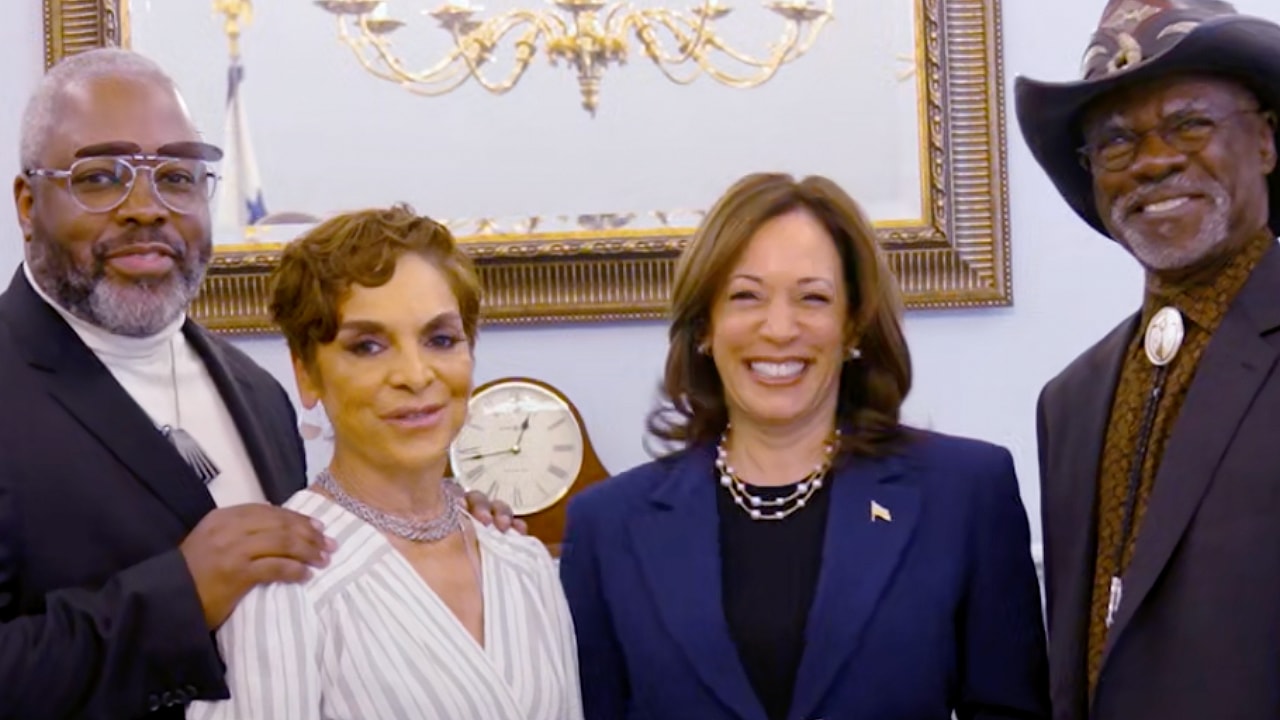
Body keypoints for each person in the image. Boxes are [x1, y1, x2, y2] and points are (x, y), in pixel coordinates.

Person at [0, 48, 516, 719]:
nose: (146, 208)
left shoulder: (257, 392)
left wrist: (439, 525)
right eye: (101, 177)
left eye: (178, 176)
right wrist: (177, 597)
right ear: (29, 202)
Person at [558, 172, 1049, 720]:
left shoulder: (966, 493)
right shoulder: (607, 526)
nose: (779, 328)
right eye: (746, 296)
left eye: (813, 298)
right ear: (704, 326)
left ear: (854, 327)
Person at [187, 205, 583, 720]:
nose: (415, 375)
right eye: (369, 346)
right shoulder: (285, 585)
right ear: (307, 373)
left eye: (440, 339)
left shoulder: (522, 562)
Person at [1015, 2, 1280, 718]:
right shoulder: (1069, 400)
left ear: (1265, 141)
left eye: (1190, 123)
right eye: (1117, 142)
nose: (1155, 160)